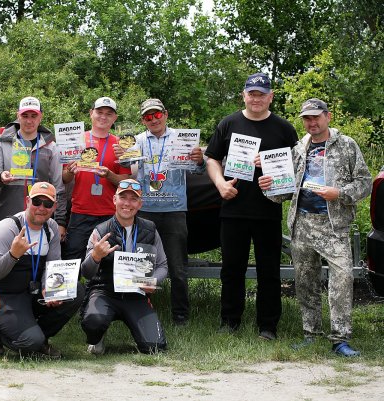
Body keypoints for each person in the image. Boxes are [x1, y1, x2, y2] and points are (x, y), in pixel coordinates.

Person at [258, 98, 371, 356]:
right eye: (307, 119)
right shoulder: (298, 149)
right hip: (303, 224)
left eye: (316, 117)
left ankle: (340, 339)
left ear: (327, 117)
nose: (312, 123)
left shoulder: (347, 145)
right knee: (305, 282)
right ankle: (311, 334)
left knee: (342, 280)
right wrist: (269, 188)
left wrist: (339, 193)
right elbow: (286, 192)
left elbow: (364, 183)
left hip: (334, 226)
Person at [205, 73, 298, 340]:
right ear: (244, 95)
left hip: (268, 210)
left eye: (261, 94)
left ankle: (268, 326)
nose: (256, 99)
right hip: (233, 208)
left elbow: (297, 166)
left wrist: (272, 169)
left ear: (271, 97)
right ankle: (229, 321)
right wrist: (220, 184)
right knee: (231, 269)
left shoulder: (284, 128)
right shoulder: (228, 123)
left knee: (269, 270)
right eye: (252, 94)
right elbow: (211, 158)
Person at [116, 98, 205, 325]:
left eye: (157, 114)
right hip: (145, 210)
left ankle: (180, 316)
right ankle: (139, 313)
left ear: (165, 114)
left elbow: (197, 171)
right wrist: (123, 156)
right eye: (148, 116)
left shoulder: (182, 138)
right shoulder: (136, 141)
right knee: (142, 264)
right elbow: (128, 168)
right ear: (142, 120)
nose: (153, 119)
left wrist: (199, 160)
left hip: (175, 210)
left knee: (177, 267)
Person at [0, 182, 84, 357]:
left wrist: (48, 289)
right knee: (28, 342)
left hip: (29, 291)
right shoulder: (7, 228)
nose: (41, 208)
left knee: (75, 291)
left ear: (54, 207)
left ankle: (39, 339)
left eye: (47, 204)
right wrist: (13, 255)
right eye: (36, 202)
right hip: (1, 293)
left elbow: (52, 265)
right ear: (27, 201)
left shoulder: (51, 228)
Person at [80, 178, 168, 354]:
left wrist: (152, 281)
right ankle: (98, 336)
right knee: (93, 322)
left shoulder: (150, 229)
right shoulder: (100, 231)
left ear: (140, 204)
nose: (127, 203)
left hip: (136, 294)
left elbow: (162, 265)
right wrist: (96, 256)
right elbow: (86, 273)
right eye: (123, 197)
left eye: (133, 199)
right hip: (104, 292)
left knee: (155, 347)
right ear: (114, 200)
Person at [62, 97, 131, 260]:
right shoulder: (76, 140)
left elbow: (125, 182)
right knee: (73, 259)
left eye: (109, 114)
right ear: (91, 113)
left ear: (115, 118)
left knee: (108, 261)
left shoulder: (120, 145)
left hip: (110, 213)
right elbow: (64, 179)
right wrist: (70, 171)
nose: (103, 117)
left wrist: (109, 175)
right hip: (80, 212)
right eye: (99, 112)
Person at [0, 96, 67, 238]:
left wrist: (60, 221)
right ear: (18, 116)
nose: (29, 121)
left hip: (40, 217)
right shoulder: (1, 142)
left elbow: (58, 188)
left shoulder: (51, 147)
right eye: (25, 116)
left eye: (34, 116)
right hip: (6, 215)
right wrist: (0, 177)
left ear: (40, 117)